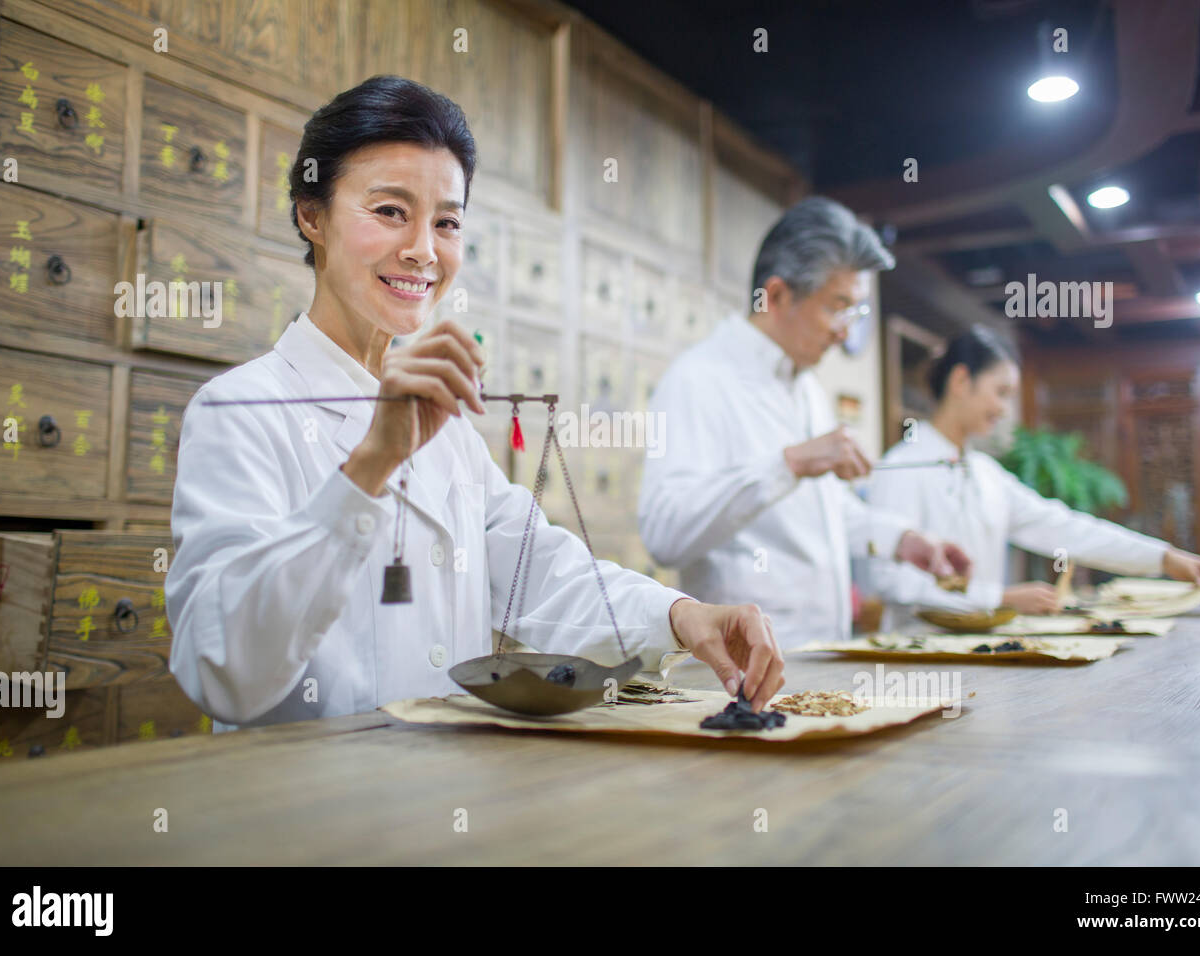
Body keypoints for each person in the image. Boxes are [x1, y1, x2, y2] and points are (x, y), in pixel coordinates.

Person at [165, 76, 786, 731]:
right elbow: (222, 668)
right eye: (389, 211)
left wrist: (680, 617)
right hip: (301, 813)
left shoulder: (447, 430)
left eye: (447, 222)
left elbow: (539, 570)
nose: (423, 250)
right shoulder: (238, 410)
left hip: (446, 801)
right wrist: (370, 467)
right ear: (311, 215)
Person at [637, 197, 971, 651]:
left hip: (821, 653)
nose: (845, 330)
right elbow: (665, 534)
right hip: (740, 669)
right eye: (836, 307)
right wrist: (790, 462)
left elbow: (824, 515)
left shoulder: (806, 387)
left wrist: (902, 540)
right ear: (775, 296)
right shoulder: (697, 379)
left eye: (854, 311)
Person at [863, 325, 1200, 615]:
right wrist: (998, 598)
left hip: (980, 655)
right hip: (917, 662)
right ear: (960, 381)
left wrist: (1162, 557)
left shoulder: (985, 472)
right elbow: (889, 581)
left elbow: (1063, 526)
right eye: (1000, 392)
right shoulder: (901, 466)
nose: (1004, 409)